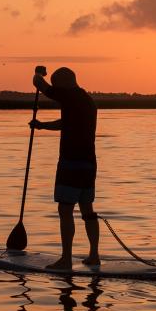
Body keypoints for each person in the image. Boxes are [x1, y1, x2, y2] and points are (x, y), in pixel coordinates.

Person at [30, 66, 100, 269]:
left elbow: (39, 85)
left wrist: (38, 74)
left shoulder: (69, 95)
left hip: (71, 163)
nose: (56, 89)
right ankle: (94, 255)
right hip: (89, 164)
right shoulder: (87, 100)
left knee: (65, 210)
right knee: (87, 210)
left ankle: (66, 259)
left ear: (65, 83)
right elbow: (66, 123)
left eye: (57, 85)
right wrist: (42, 126)